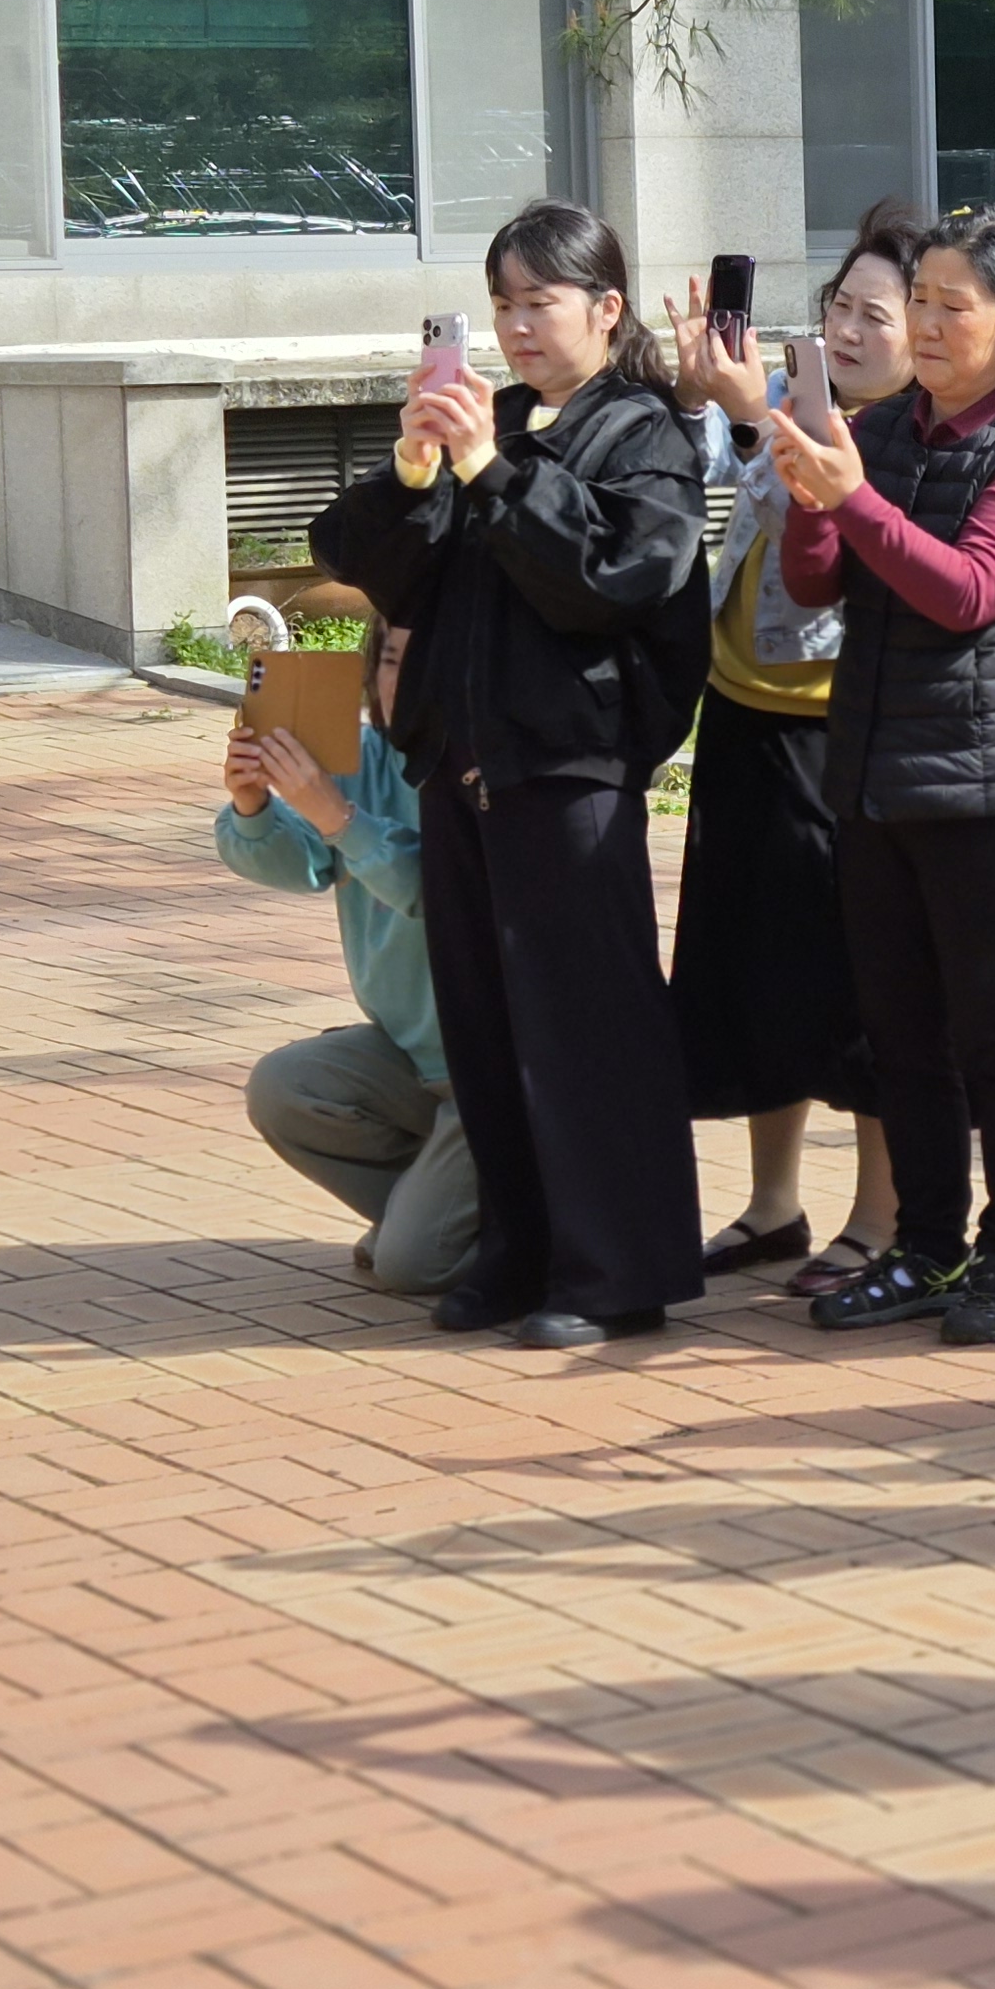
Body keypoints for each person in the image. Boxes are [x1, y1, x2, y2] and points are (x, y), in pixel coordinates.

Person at [310, 202, 711, 1351]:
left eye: (541, 301)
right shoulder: (489, 423)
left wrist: (491, 471)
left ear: (606, 308)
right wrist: (411, 468)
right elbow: (365, 563)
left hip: (570, 769)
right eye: (502, 304)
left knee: (587, 1027)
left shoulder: (641, 433)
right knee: (487, 1028)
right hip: (463, 766)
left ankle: (618, 1272)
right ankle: (516, 1249)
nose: (519, 326)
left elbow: (614, 577)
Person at [773, 207, 995, 1347]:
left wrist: (850, 496)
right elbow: (815, 586)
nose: (927, 324)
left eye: (955, 306)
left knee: (990, 1030)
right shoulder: (883, 429)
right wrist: (812, 493)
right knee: (899, 1031)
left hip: (987, 792)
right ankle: (924, 1243)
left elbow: (970, 592)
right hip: (874, 776)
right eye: (921, 301)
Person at [671, 218, 918, 1298]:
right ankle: (773, 1205)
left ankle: (881, 1216)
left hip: (839, 728)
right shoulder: (783, 397)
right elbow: (702, 477)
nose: (848, 331)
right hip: (739, 708)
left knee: (856, 981)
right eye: (838, 307)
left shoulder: (907, 436)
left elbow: (824, 536)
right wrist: (707, 401)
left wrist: (753, 422)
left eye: (876, 315)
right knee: (750, 967)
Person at [221, 622, 480, 1299]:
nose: (404, 680)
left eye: (425, 661)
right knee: (285, 1086)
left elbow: (438, 892)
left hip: (491, 1073)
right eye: (389, 660)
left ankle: (476, 1227)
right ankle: (434, 1216)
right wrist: (252, 804)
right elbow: (299, 865)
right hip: (411, 1056)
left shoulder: (485, 765)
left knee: (412, 1267)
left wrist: (339, 818)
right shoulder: (361, 754)